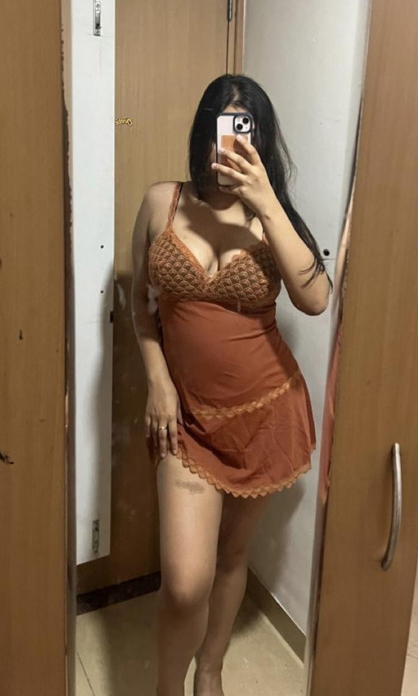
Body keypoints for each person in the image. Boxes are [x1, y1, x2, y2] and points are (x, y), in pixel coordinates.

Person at [129, 74, 331, 696]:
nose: (234, 144)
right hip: (185, 420)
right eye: (225, 127)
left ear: (262, 141)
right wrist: (157, 379)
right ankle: (168, 689)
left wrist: (267, 201)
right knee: (185, 583)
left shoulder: (273, 217)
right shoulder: (162, 202)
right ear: (204, 133)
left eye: (248, 132)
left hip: (265, 414)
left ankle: (210, 670)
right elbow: (139, 300)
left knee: (231, 558)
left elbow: (316, 300)